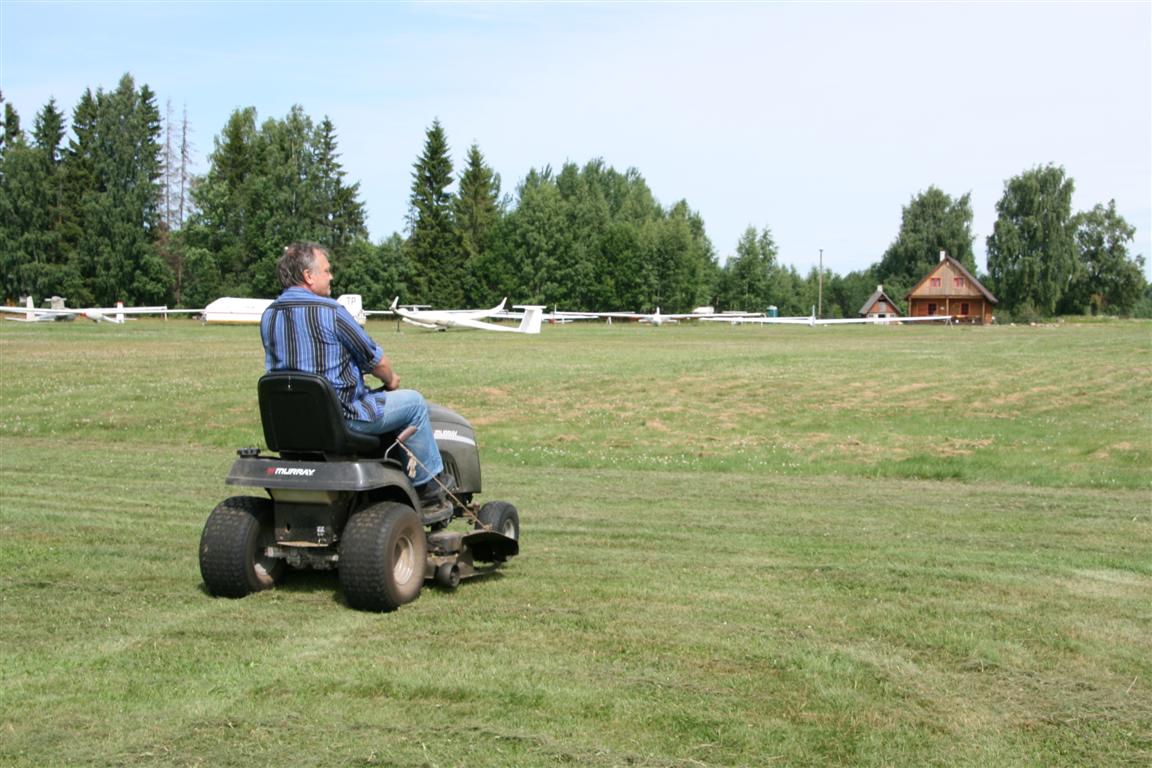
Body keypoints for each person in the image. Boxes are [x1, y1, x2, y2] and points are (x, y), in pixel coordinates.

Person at [259, 241, 451, 518]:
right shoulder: (332, 312)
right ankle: (428, 490)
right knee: (415, 404)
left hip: (291, 425)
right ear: (308, 275)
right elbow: (375, 361)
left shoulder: (269, 316)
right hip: (342, 417)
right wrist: (392, 379)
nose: (331, 276)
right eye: (327, 271)